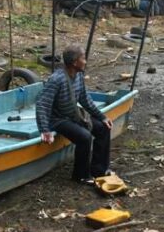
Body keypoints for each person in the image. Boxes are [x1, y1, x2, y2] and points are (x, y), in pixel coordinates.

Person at [36, 44, 113, 184]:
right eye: (83, 58)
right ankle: (81, 175)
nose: (85, 61)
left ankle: (99, 170)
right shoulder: (56, 79)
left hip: (73, 115)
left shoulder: (78, 76)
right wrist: (45, 130)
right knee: (85, 137)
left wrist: (102, 117)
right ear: (74, 62)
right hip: (58, 119)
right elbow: (42, 104)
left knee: (103, 128)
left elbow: (85, 99)